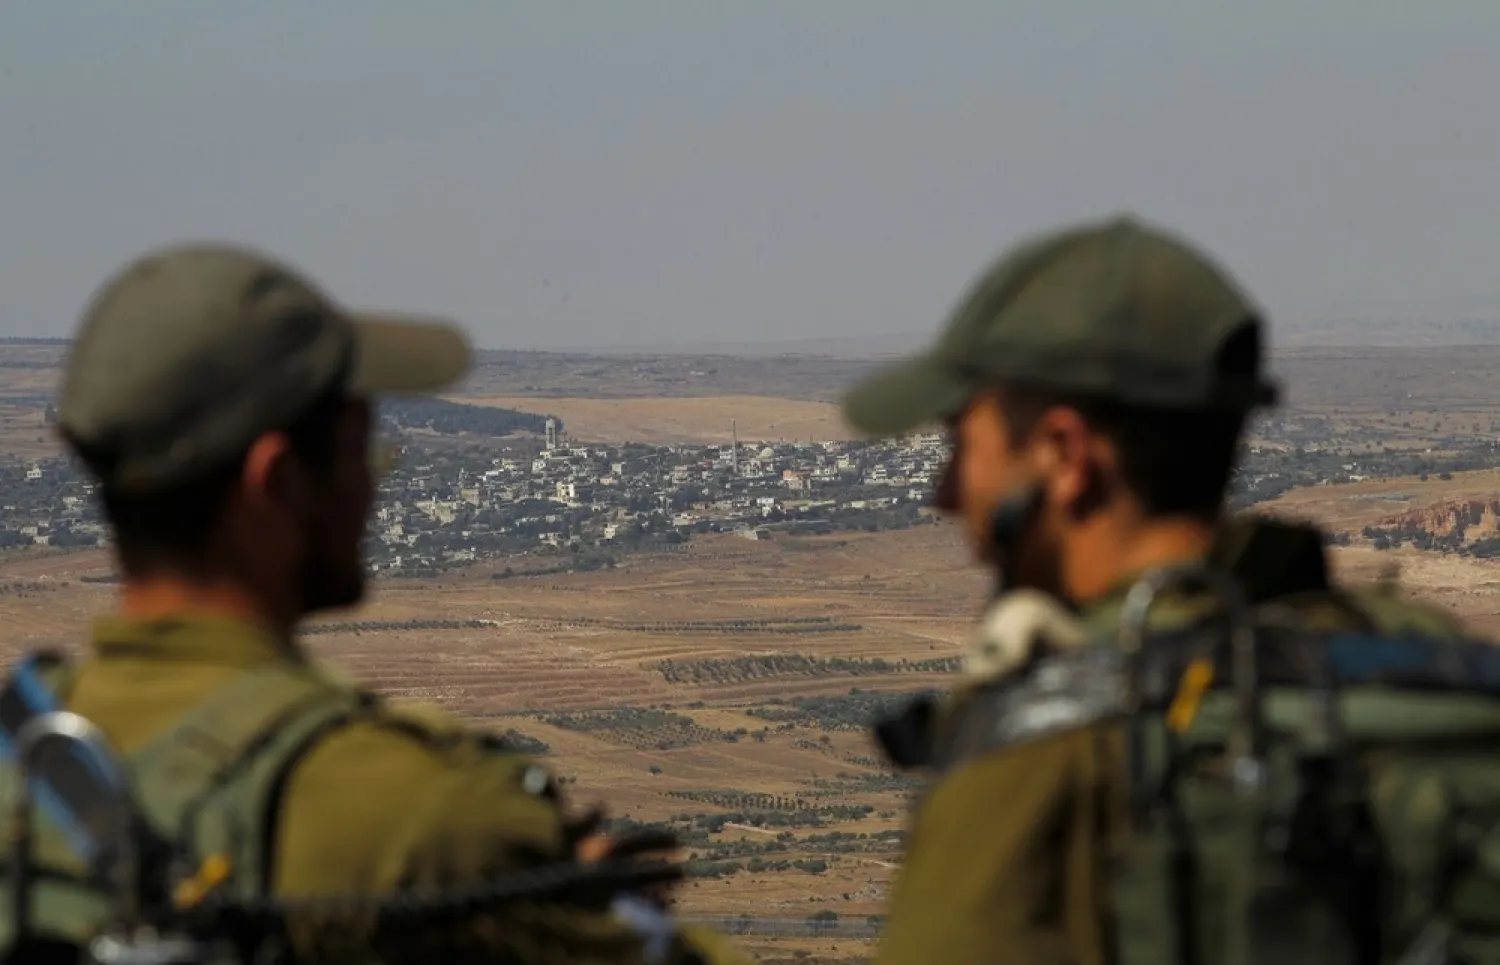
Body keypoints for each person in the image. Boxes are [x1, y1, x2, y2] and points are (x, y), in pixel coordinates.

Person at [9, 242, 748, 965]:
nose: (373, 486)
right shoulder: (417, 815)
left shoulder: (22, 752)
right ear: (279, 481)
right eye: (362, 452)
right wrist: (592, 900)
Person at [840, 215, 1494, 965]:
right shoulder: (1427, 660)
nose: (945, 493)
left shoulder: (1040, 749)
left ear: (1065, 455)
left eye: (962, 445)